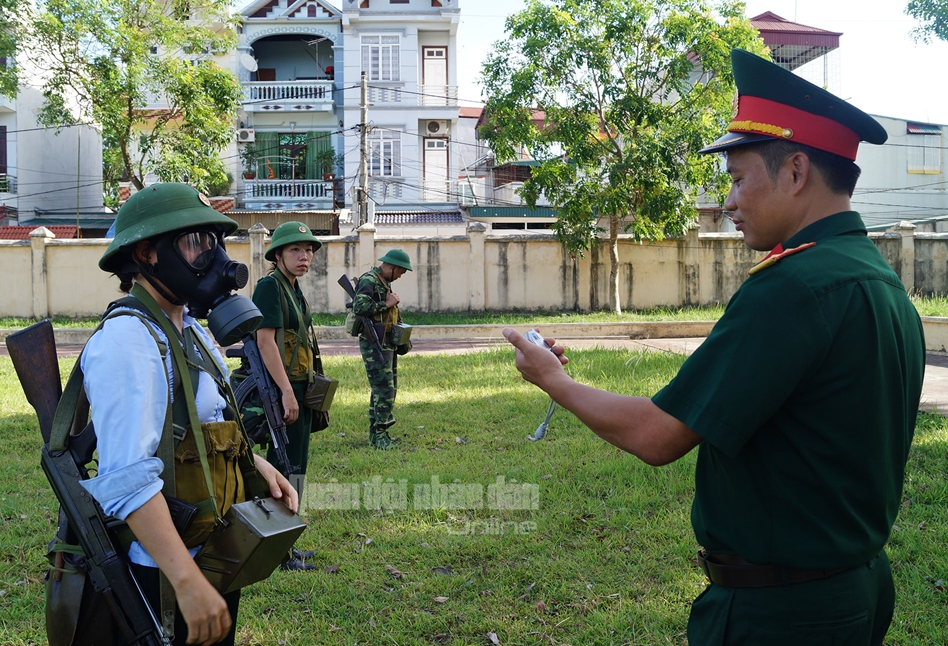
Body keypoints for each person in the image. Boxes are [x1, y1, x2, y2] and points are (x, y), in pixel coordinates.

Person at [503, 49, 925, 645]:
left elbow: (659, 435)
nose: (728, 202)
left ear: (796, 172)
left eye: (736, 179)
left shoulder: (793, 288)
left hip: (782, 615)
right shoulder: (878, 282)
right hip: (852, 587)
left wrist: (555, 381)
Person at [80, 183, 300, 646]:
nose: (216, 259)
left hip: (210, 549)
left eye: (216, 242)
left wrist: (255, 465)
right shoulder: (128, 342)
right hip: (159, 573)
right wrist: (185, 581)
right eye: (197, 243)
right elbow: (127, 480)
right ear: (148, 253)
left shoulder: (191, 331)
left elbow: (206, 421)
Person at [234, 221, 322, 571]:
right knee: (283, 466)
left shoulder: (293, 287)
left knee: (295, 467)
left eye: (309, 250)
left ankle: (288, 543)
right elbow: (264, 341)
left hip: (300, 385)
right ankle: (277, 549)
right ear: (278, 256)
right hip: (283, 388)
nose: (305, 256)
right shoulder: (270, 288)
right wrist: (286, 392)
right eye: (296, 250)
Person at [352, 249, 413, 449]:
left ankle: (378, 434)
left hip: (386, 342)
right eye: (400, 272)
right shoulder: (369, 280)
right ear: (392, 267)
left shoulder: (383, 282)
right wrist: (386, 303)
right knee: (385, 390)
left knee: (384, 388)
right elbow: (359, 307)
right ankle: (380, 435)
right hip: (374, 343)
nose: (401, 276)